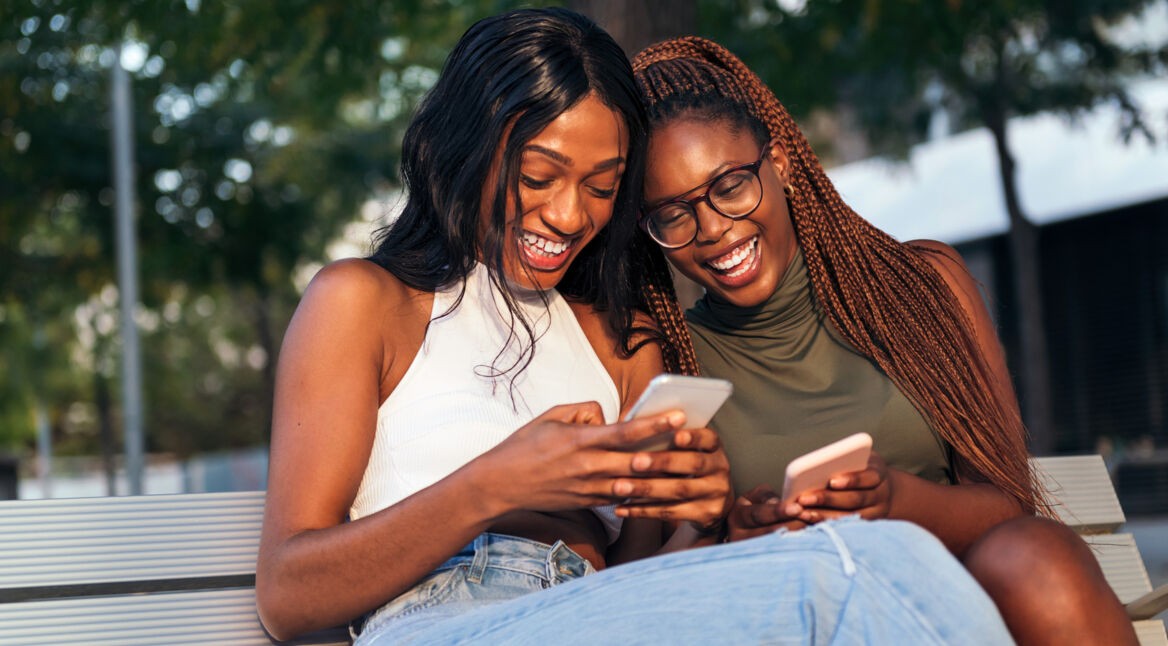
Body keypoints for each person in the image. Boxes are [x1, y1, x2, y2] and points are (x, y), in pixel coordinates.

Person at [256, 9, 1015, 645]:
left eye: (602, 186)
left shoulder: (621, 343)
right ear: (466, 150)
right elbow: (288, 595)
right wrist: (492, 485)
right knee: (841, 575)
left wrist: (697, 526)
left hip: (595, 610)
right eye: (538, 175)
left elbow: (637, 584)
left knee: (877, 555)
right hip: (446, 617)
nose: (568, 214)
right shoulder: (368, 302)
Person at [630, 36, 1138, 646]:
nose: (712, 229)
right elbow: (641, 593)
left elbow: (1008, 505)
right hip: (793, 621)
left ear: (782, 162)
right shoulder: (666, 358)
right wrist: (732, 537)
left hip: (958, 608)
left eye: (731, 186)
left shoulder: (917, 290)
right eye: (673, 215)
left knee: (1033, 556)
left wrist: (897, 500)